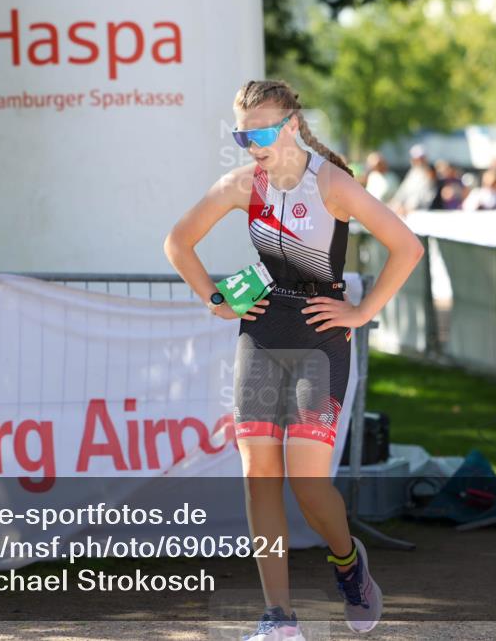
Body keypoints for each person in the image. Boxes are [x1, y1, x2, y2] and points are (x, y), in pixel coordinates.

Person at [163, 79, 425, 640]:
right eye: (241, 134)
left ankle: (348, 563)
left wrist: (361, 312)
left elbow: (408, 246)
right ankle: (277, 618)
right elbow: (178, 241)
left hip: (320, 340)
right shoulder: (241, 185)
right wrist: (213, 297)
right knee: (259, 475)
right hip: (259, 333)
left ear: (290, 124)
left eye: (258, 131)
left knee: (307, 484)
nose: (249, 143)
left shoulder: (332, 184)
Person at [388, 144, 436, 215]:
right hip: (406, 209)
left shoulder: (430, 172)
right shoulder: (413, 172)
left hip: (420, 211)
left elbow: (424, 196)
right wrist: (394, 203)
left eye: (421, 158)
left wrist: (407, 208)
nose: (419, 161)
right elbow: (402, 192)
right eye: (416, 159)